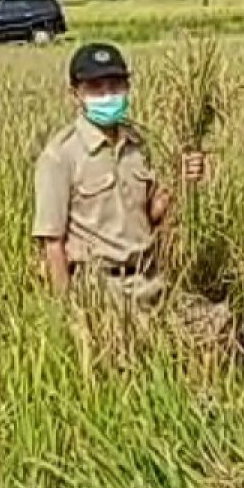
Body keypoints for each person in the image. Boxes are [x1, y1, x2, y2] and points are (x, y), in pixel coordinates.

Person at [33, 43, 204, 310]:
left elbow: (153, 214)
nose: (107, 94)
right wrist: (65, 315)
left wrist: (181, 181)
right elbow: (53, 243)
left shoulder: (138, 144)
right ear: (75, 95)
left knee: (220, 325)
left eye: (115, 85)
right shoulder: (60, 156)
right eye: (95, 87)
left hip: (148, 281)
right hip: (99, 292)